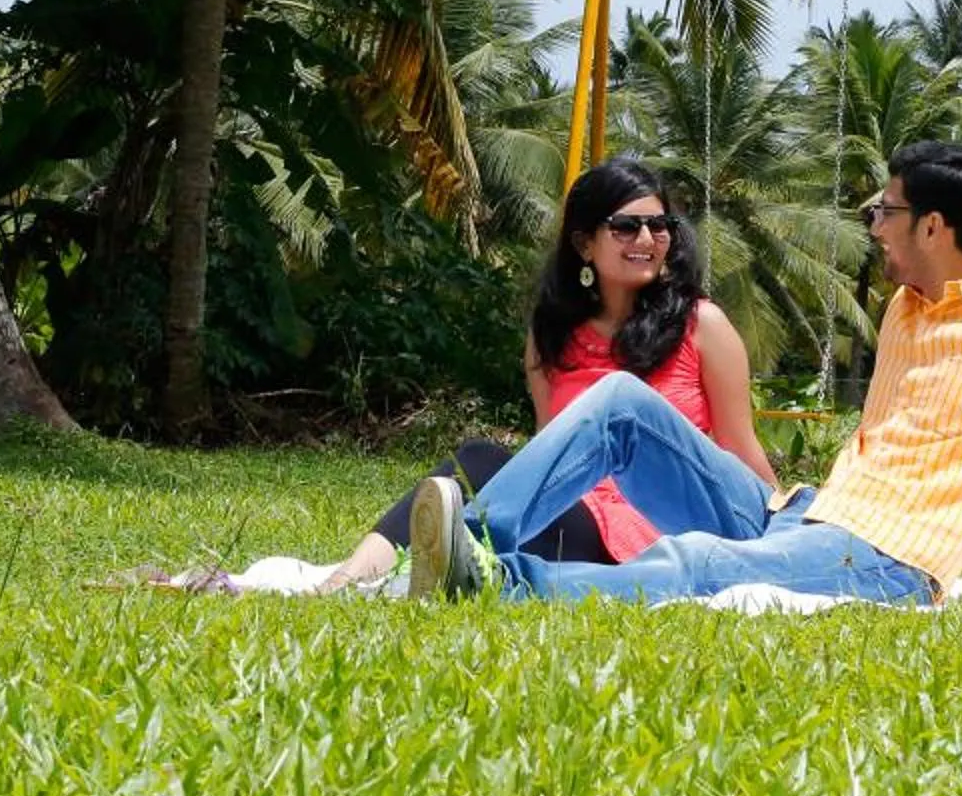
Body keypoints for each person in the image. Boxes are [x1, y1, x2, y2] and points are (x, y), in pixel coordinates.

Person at [409, 139, 962, 606]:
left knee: (695, 563)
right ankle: (471, 541)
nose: (872, 226)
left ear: (934, 227)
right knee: (620, 402)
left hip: (886, 559)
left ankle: (502, 587)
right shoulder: (907, 312)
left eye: (884, 211)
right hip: (799, 512)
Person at [312, 157, 774, 591]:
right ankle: (349, 578)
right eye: (627, 227)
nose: (648, 240)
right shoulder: (552, 335)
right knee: (477, 460)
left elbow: (739, 445)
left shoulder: (701, 325)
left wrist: (783, 533)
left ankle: (438, 558)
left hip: (654, 524)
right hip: (579, 516)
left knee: (483, 485)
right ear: (584, 244)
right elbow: (549, 451)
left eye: (660, 226)